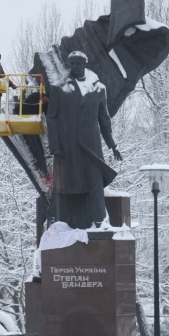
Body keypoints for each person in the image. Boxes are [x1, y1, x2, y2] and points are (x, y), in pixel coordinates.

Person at [46, 51, 122, 229]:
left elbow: (104, 119)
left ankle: (101, 222)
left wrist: (113, 145)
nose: (74, 67)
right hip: (67, 147)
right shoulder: (59, 88)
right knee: (64, 186)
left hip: (91, 147)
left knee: (95, 185)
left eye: (77, 63)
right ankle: (61, 224)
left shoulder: (99, 88)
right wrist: (55, 145)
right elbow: (52, 118)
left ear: (85, 64)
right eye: (71, 63)